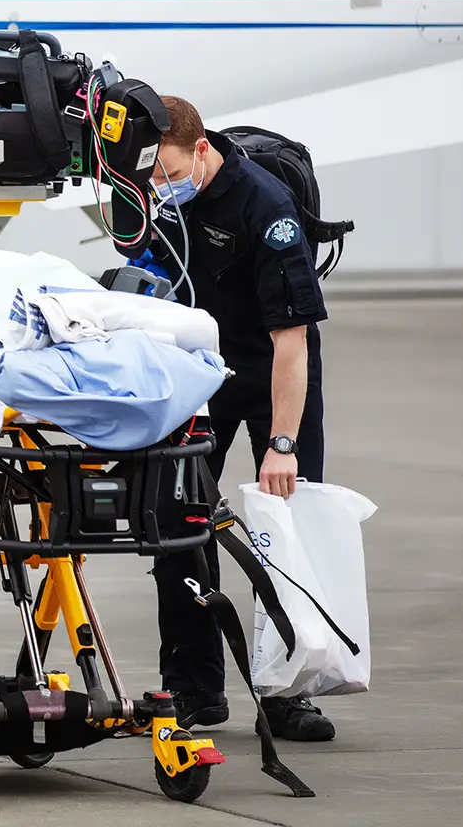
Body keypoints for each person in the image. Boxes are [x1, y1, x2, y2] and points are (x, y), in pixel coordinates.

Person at [118, 95, 337, 744]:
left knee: (288, 533)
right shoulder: (151, 201)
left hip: (272, 373)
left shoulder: (265, 209)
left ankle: (287, 694)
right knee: (173, 523)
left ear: (202, 150)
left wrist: (284, 444)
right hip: (200, 373)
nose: (160, 187)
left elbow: (293, 344)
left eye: (168, 172)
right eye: (150, 177)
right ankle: (195, 685)